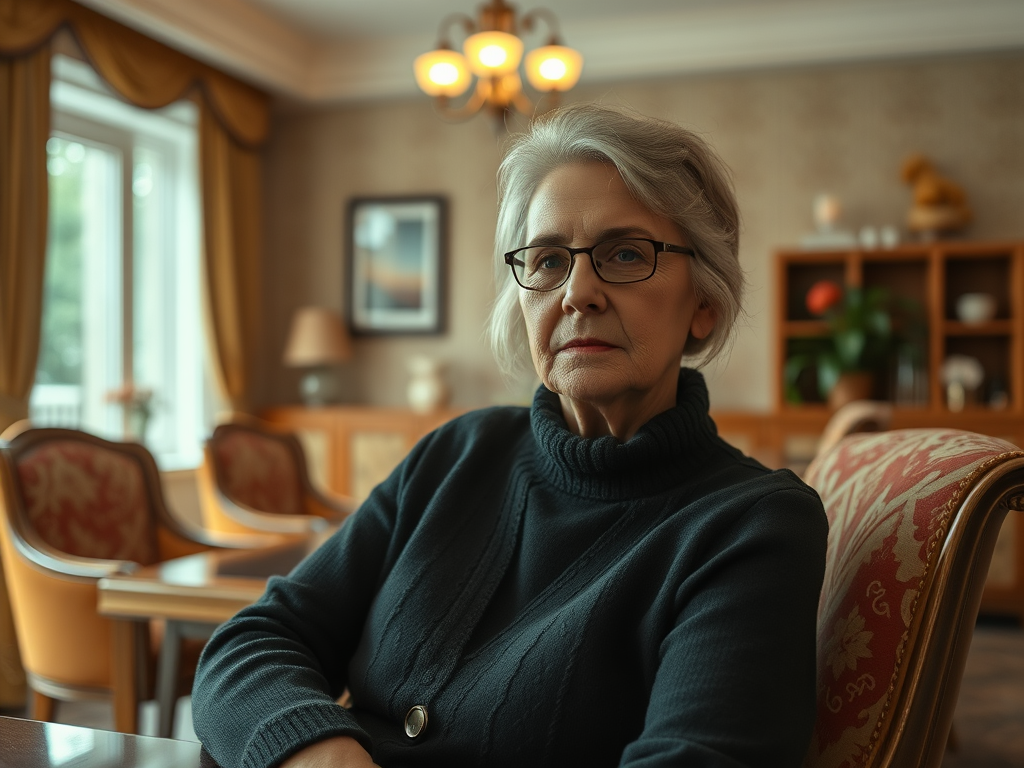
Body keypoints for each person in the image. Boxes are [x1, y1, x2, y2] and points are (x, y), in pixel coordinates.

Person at [192, 103, 828, 768]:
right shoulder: (458, 451)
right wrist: (315, 749)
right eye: (550, 260)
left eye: (627, 254)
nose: (578, 292)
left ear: (705, 302)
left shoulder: (751, 525)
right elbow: (254, 642)